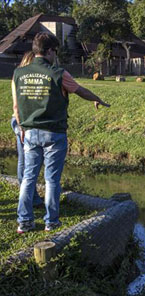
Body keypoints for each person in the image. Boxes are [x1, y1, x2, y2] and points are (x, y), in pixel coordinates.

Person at [12, 32, 110, 234]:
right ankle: (51, 222)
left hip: (29, 132)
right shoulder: (58, 73)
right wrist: (96, 98)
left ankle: (24, 221)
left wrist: (21, 128)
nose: (55, 55)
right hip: (53, 133)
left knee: (29, 178)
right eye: (55, 51)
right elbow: (79, 90)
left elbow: (16, 106)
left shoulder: (18, 74)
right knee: (51, 179)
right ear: (48, 51)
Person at [10, 51, 43, 207]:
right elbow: (17, 106)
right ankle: (30, 198)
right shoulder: (27, 78)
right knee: (26, 162)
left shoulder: (18, 77)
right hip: (22, 122)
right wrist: (21, 125)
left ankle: (29, 195)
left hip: (21, 121)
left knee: (25, 161)